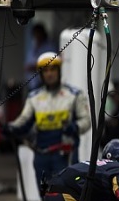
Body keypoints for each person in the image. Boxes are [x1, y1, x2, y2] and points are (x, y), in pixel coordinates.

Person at [6, 52, 91, 193]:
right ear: (41, 74)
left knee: (66, 195)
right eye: (45, 70)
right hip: (41, 155)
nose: (49, 74)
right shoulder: (34, 97)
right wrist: (9, 128)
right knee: (45, 195)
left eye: (52, 69)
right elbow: (22, 122)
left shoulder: (74, 94)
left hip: (65, 154)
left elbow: (86, 120)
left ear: (59, 70)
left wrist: (75, 127)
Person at [24, 24, 58, 92]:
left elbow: (51, 63)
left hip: (44, 83)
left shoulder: (50, 46)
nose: (37, 36)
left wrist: (35, 67)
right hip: (32, 84)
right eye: (35, 34)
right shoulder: (33, 46)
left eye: (38, 33)